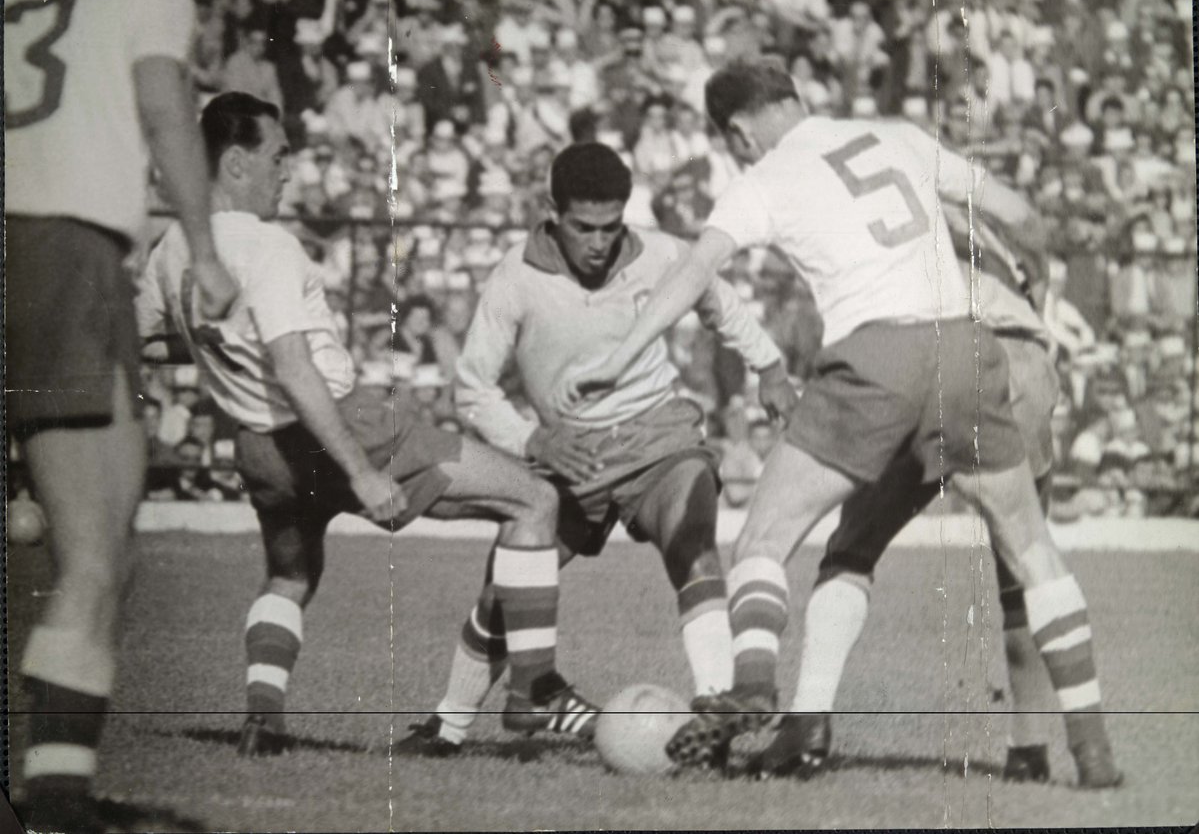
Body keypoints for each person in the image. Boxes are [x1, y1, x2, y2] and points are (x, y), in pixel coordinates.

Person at [559, 61, 1122, 789]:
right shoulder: (897, 135)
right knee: (1032, 551)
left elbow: (694, 270)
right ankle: (1095, 751)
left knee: (765, 535)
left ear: (737, 132)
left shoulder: (763, 177)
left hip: (877, 358)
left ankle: (756, 684)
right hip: (968, 349)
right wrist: (1037, 293)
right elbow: (1023, 216)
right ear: (796, 98)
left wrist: (616, 356)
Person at [136, 92, 591, 759]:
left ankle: (262, 715)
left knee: (288, 577)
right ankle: (530, 691)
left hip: (257, 446)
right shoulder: (265, 244)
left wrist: (219, 350)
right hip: (341, 427)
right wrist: (361, 469)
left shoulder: (174, 246)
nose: (287, 171)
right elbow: (294, 365)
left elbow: (141, 337)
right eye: (277, 156)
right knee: (534, 499)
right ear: (235, 164)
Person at [394, 143, 797, 755]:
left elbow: (720, 303)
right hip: (566, 454)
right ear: (551, 211)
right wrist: (532, 440)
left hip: (656, 437)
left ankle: (716, 713)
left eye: (612, 227)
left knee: (693, 540)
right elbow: (470, 387)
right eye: (584, 227)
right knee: (506, 592)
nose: (600, 242)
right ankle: (447, 727)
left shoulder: (661, 252)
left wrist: (769, 366)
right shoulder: (515, 277)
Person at [4, 0, 237, 830]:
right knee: (98, 555)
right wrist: (205, 252)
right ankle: (57, 804)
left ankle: (62, 790)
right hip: (66, 251)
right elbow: (163, 107)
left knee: (98, 554)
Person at [754, 202, 1068, 781]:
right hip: (1019, 364)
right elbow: (1029, 225)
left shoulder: (879, 226)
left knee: (852, 549)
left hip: (921, 358)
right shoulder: (985, 216)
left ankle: (808, 721)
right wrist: (1039, 287)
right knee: (1026, 570)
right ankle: (1032, 746)